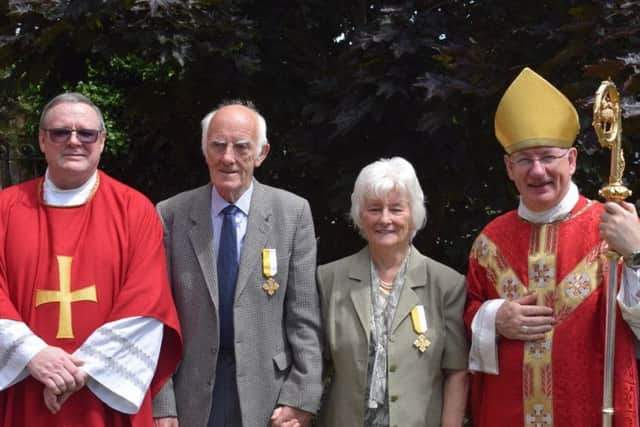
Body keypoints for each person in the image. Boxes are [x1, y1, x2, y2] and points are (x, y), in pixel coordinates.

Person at [465, 67, 640, 426]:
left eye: (548, 156)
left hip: (590, 410)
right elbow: (467, 312)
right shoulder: (489, 242)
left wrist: (636, 255)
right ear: (508, 168)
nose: (538, 171)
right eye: (524, 160)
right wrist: (494, 318)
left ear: (572, 160)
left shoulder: (613, 229)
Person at [0, 92, 182, 426]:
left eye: (86, 133)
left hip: (104, 395)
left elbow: (147, 301)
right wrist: (33, 355)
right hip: (24, 385)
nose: (74, 141)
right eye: (60, 132)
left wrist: (78, 371)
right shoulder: (5, 209)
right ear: (42, 140)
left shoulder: (134, 210)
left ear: (101, 141)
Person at [152, 101, 323, 427]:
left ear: (261, 153)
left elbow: (304, 317)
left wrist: (301, 396)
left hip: (269, 395)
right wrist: (162, 403)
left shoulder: (293, 213)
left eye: (241, 147)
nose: (227, 157)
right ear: (205, 151)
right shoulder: (171, 214)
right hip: (192, 393)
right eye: (217, 145)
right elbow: (158, 318)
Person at [316, 157, 469, 427]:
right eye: (374, 209)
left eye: (396, 209)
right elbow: (313, 364)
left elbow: (456, 371)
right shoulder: (329, 279)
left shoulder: (447, 284)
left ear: (413, 214)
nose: (385, 219)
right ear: (360, 215)